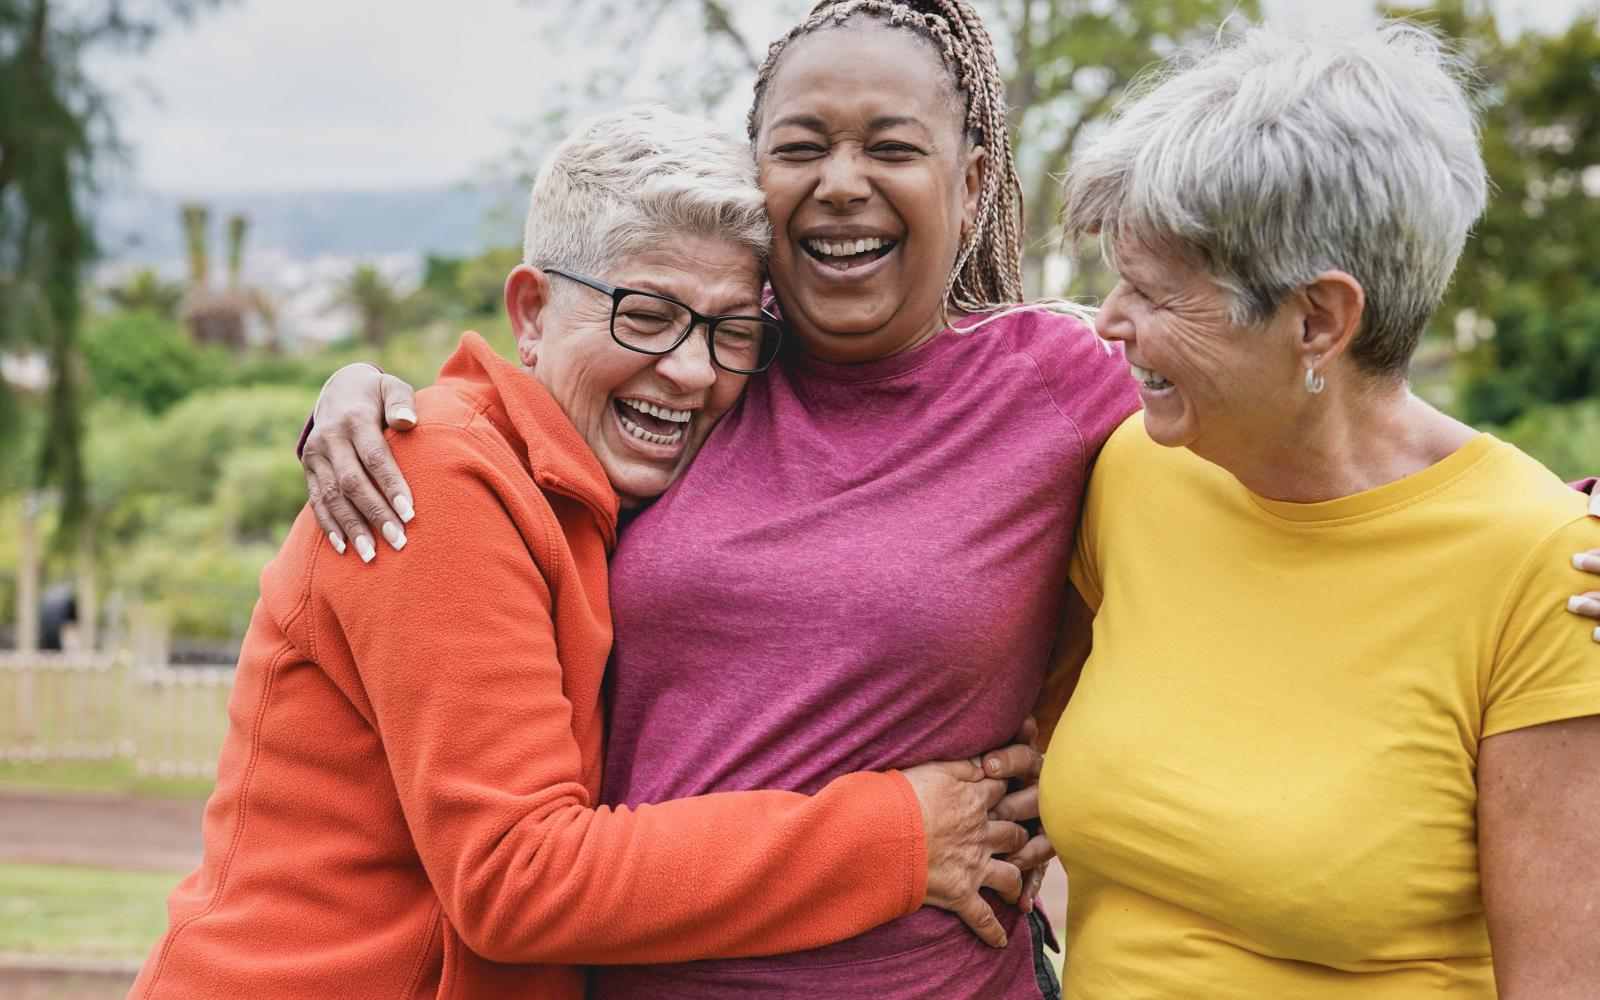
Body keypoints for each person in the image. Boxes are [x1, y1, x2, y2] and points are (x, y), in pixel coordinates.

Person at [297, 3, 1600, 998]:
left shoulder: (1078, 396)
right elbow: (534, 393)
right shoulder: (699, 371)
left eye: (893, 147)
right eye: (799, 147)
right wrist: (370, 394)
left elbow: (1330, 429)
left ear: (973, 185)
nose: (844, 181)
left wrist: (1569, 519)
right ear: (758, 184)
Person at [130, 105, 1045, 1000]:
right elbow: (515, 877)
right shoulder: (440, 479)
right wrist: (895, 838)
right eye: (645, 315)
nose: (690, 370)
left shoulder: (611, 487)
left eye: (730, 331)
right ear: (530, 311)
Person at [1040, 22, 1600, 998]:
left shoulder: (1547, 573)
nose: (1109, 322)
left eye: (1152, 291)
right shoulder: (1135, 468)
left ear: (1317, 320)